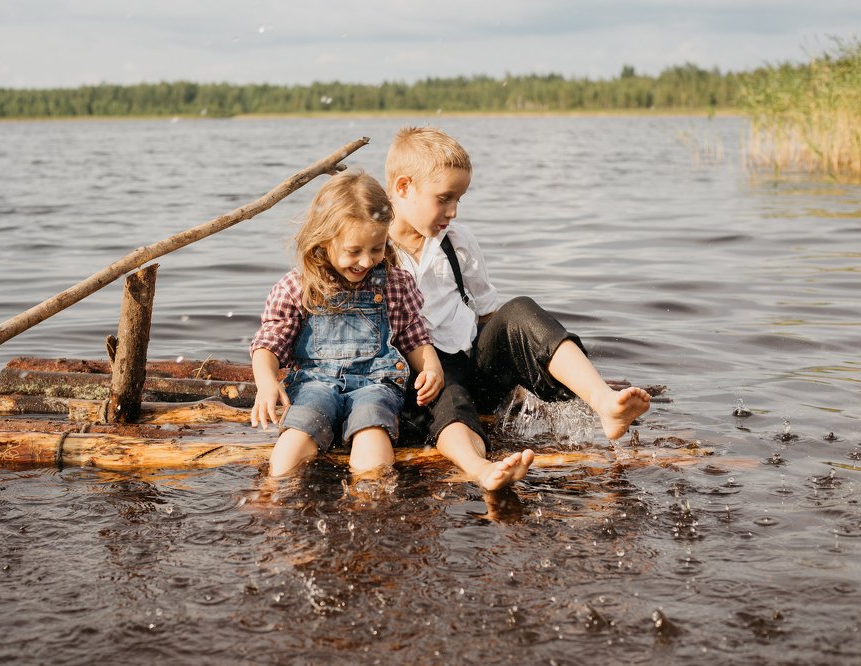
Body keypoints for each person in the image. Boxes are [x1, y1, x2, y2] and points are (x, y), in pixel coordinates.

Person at [384, 126, 651, 491]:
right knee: (450, 402)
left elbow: (488, 314)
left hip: (473, 363)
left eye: (460, 198)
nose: (454, 211)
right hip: (422, 380)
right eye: (444, 198)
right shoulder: (369, 249)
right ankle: (480, 468)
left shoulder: (458, 241)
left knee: (520, 309)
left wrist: (517, 368)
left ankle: (604, 402)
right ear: (403, 188)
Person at [250, 169, 444, 477]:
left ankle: (370, 498)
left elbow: (411, 334)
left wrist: (431, 368)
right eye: (354, 251)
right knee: (299, 432)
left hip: (375, 383)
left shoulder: (394, 283)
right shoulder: (298, 287)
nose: (367, 261)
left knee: (372, 431)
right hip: (314, 382)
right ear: (324, 240)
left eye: (377, 249)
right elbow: (269, 343)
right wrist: (266, 383)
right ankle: (275, 492)